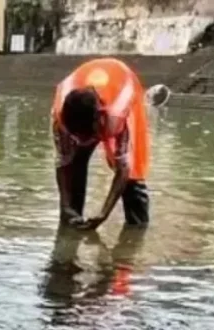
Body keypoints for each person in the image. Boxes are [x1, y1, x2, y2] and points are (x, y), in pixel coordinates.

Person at [51, 58, 152, 230]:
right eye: (77, 136)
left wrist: (104, 214)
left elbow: (123, 168)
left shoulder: (117, 114)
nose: (83, 141)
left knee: (132, 178)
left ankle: (136, 229)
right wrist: (65, 205)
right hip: (86, 86)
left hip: (123, 81)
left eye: (88, 135)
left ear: (100, 119)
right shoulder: (59, 119)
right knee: (73, 163)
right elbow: (62, 162)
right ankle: (71, 221)